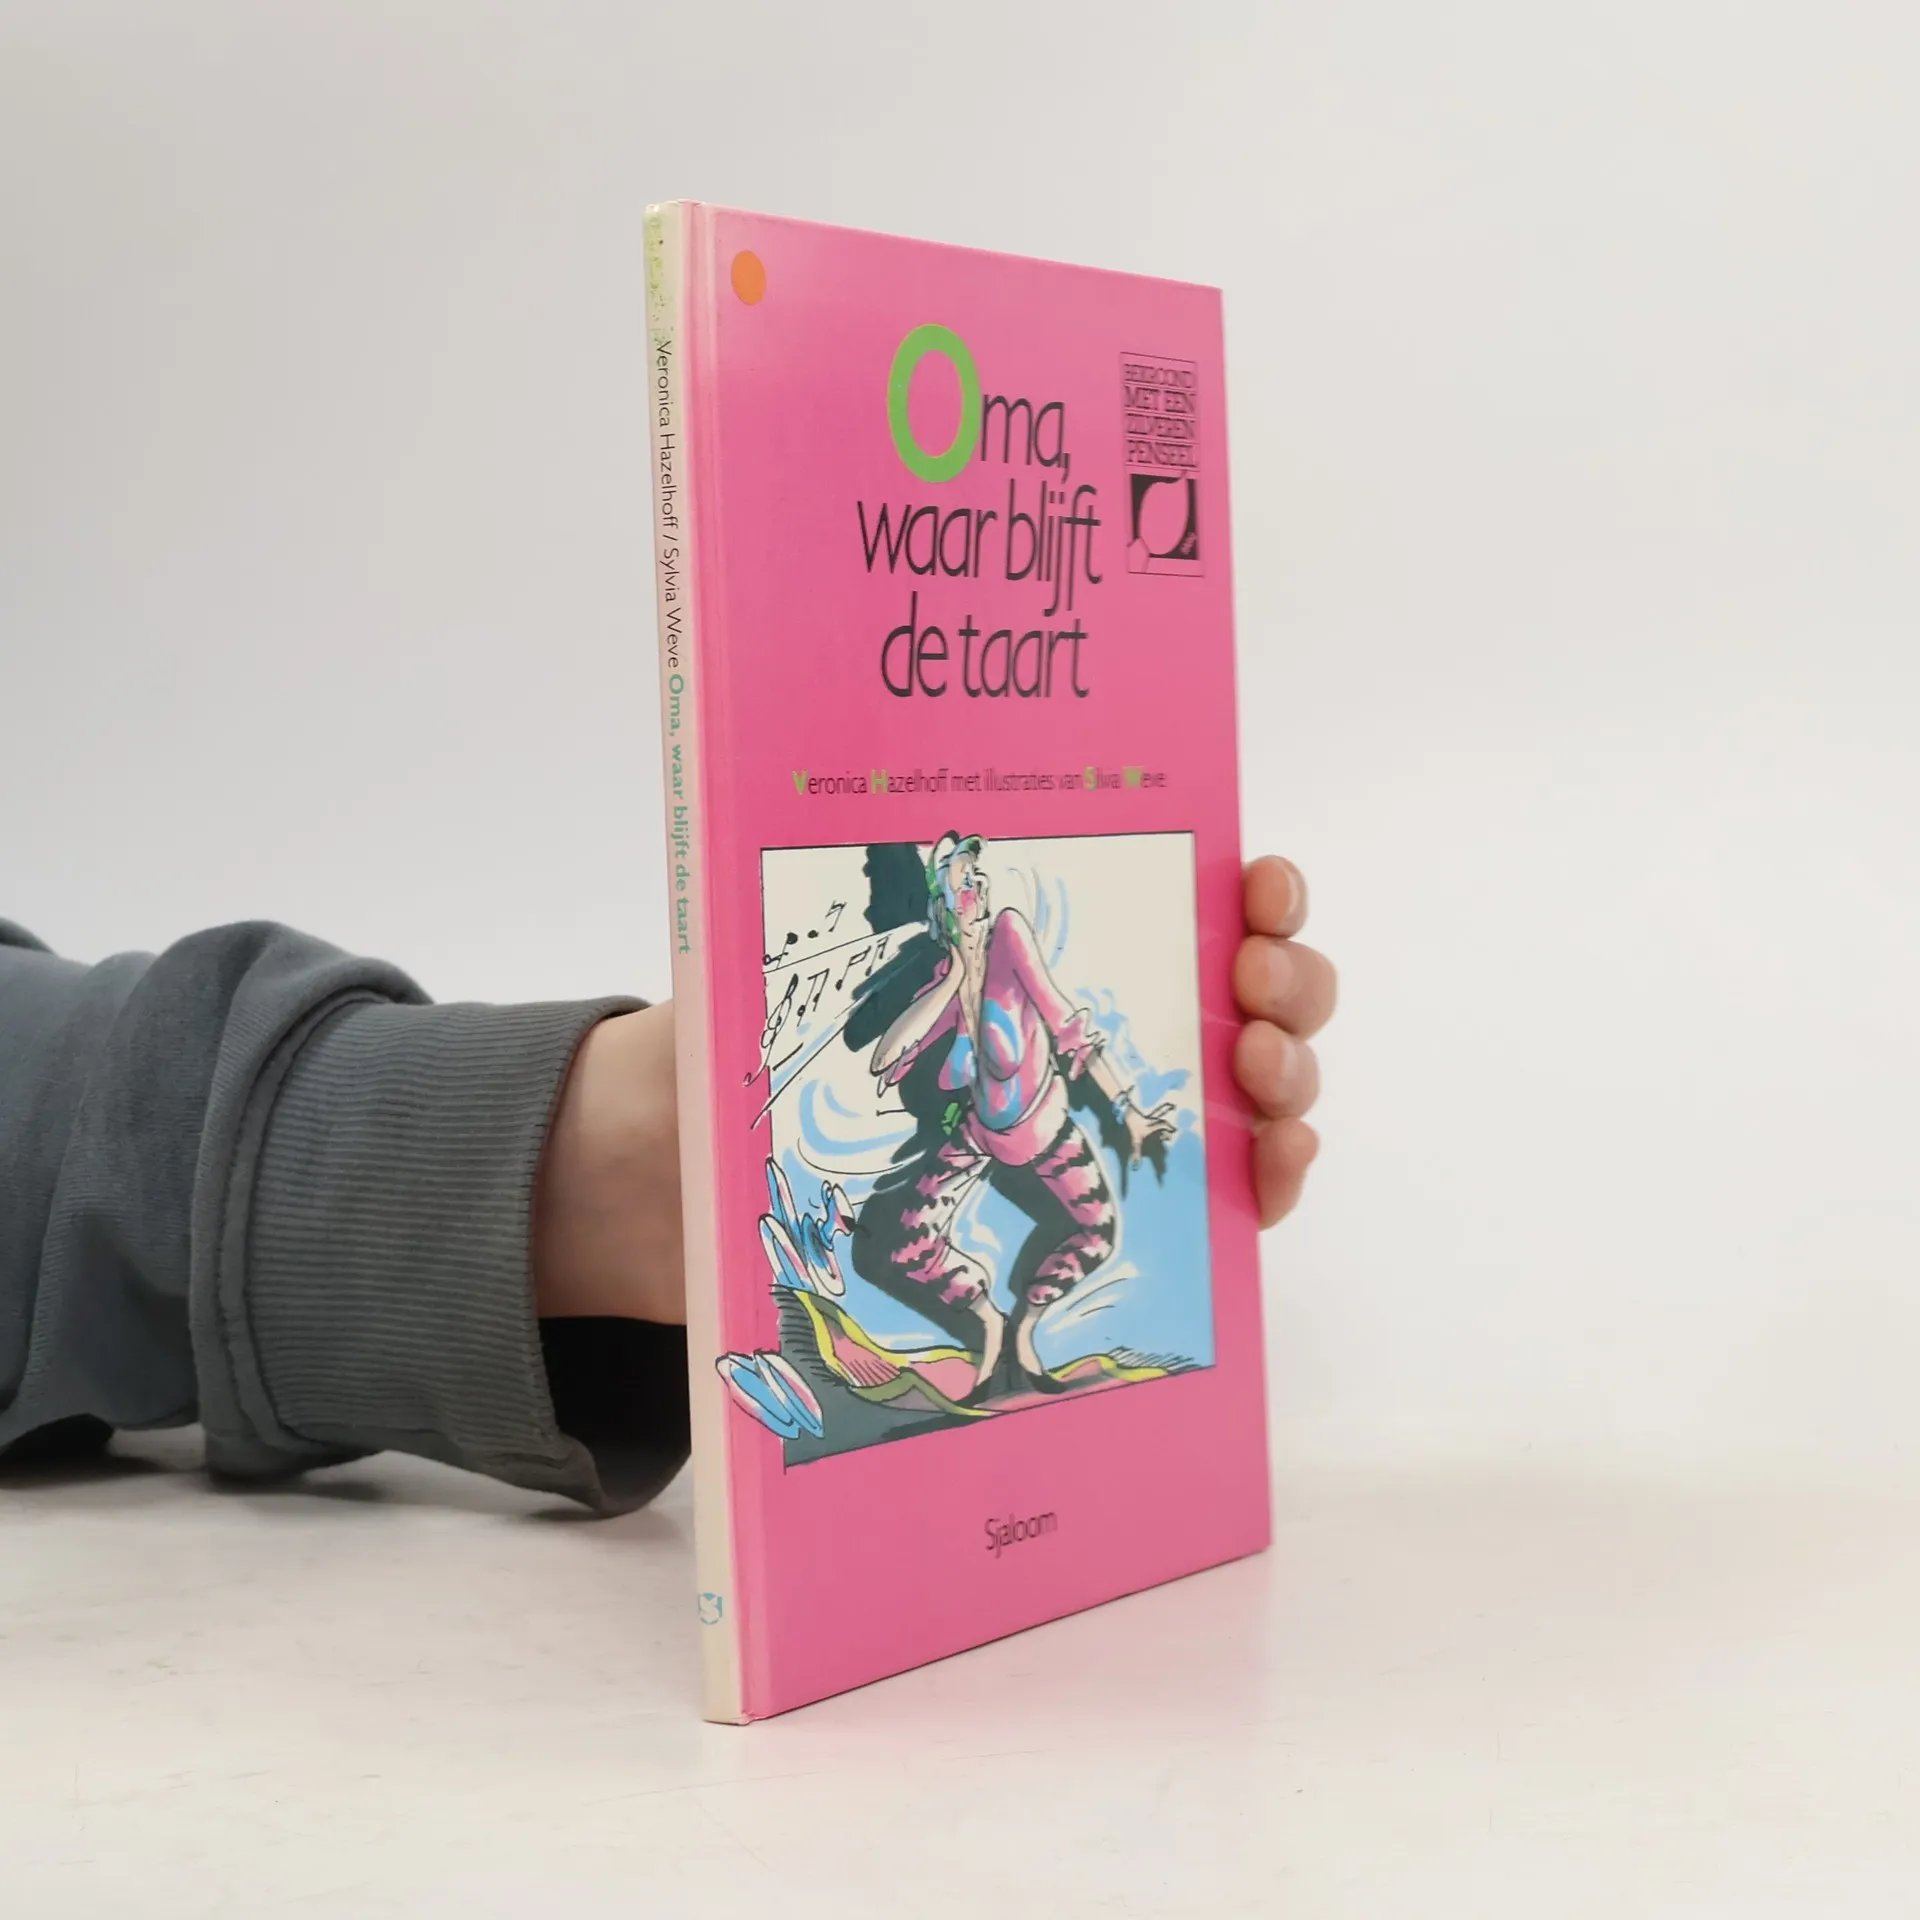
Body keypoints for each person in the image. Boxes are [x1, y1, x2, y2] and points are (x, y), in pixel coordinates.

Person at [0, 856, 1334, 1513]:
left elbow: (1054, 1015)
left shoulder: (1007, 950)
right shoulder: (969, 963)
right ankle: (568, 1171)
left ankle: (559, 1167)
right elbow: (946, 1026)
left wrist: (1121, 1097)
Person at [863, 831, 1181, 1397]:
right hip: (980, 1134)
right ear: (942, 904)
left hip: (1045, 1126)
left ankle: (1027, 1328)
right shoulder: (943, 981)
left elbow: (1067, 1027)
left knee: (1096, 1233)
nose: (979, 884)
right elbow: (885, 1058)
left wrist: (1128, 1111)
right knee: (910, 1246)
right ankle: (989, 1324)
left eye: (976, 874)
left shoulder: (1009, 936)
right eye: (964, 879)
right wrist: (956, 977)